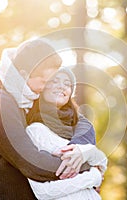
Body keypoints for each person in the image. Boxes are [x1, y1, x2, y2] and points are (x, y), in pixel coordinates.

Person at [0, 39, 97, 199]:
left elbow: (77, 118)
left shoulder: (24, 91)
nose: (46, 87)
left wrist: (81, 150)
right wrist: (86, 166)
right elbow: (32, 162)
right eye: (44, 81)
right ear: (24, 74)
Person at [25, 67, 108, 199]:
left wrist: (89, 153)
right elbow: (42, 192)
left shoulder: (78, 129)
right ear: (42, 87)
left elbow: (101, 159)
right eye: (54, 81)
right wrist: (94, 177)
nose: (61, 86)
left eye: (67, 84)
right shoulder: (35, 130)